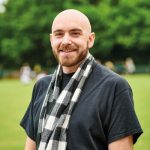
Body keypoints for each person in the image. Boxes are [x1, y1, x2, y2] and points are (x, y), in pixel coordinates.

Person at [20, 9, 143, 150]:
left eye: (75, 33)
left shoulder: (114, 87)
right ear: (51, 40)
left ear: (90, 39)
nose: (66, 41)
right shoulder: (42, 86)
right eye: (59, 34)